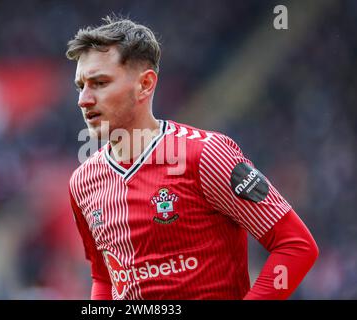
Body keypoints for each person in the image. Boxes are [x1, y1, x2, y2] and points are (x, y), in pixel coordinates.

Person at [66, 15, 319, 300]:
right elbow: (105, 278)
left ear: (145, 85)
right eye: (80, 86)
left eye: (99, 83)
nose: (83, 99)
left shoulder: (207, 155)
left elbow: (296, 245)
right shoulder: (83, 182)